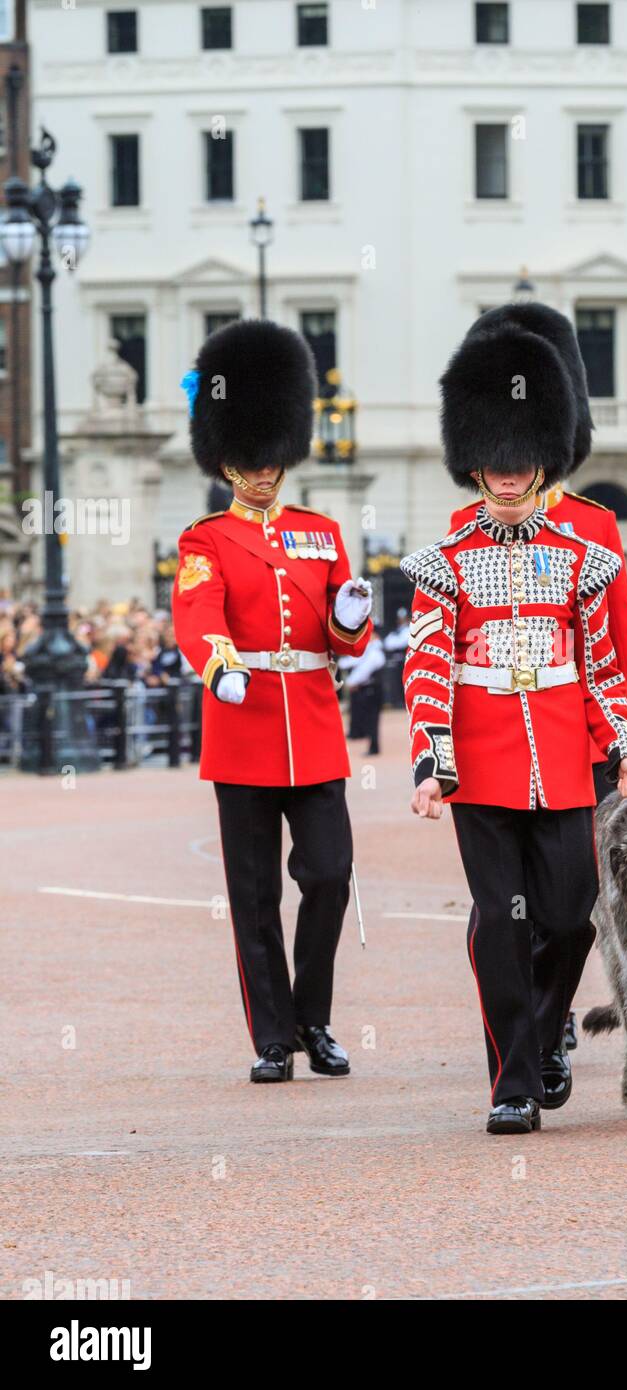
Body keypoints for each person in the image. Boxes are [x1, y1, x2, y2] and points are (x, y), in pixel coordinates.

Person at [402, 306, 627, 1135]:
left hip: (560, 753)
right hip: (479, 762)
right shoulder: (445, 560)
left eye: (520, 463)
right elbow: (429, 662)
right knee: (500, 922)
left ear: (540, 459)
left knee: (567, 912)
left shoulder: (584, 554)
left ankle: (545, 1031)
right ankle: (511, 1079)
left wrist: (623, 743)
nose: (507, 476)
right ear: (475, 467)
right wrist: (431, 759)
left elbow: (601, 662)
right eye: (493, 464)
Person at [445, 303, 627, 1051]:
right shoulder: (465, 527)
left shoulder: (597, 523)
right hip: (502, 734)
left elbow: (621, 641)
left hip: (584, 737)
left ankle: (546, 1010)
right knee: (504, 902)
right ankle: (525, 1034)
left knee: (569, 901)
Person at [172, 319, 373, 1084]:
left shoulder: (320, 534)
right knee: (254, 896)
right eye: (247, 461)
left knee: (327, 876)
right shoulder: (206, 540)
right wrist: (218, 664)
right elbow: (199, 613)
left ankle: (313, 1016)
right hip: (244, 725)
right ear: (226, 464)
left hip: (313, 728)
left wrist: (350, 618)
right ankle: (272, 1035)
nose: (261, 472)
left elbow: (342, 638)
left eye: (270, 459)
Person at [342, 624, 386, 756]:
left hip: (372, 689)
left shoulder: (375, 652)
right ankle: (370, 744)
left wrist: (350, 682)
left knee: (373, 720)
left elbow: (364, 671)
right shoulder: (371, 650)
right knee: (369, 718)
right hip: (368, 689)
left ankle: (374, 748)